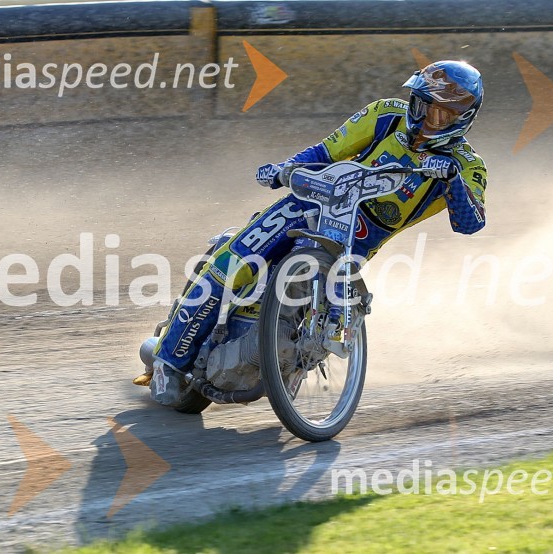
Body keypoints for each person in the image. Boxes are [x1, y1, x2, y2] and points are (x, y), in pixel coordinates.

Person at [134, 60, 488, 398]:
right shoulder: (385, 114)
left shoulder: (467, 165)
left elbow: (470, 223)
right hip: (309, 204)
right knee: (233, 262)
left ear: (463, 119)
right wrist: (284, 169)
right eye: (422, 106)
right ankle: (168, 362)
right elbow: (326, 151)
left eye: (441, 114)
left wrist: (452, 179)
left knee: (303, 302)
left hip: (354, 242)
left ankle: (293, 359)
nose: (427, 119)